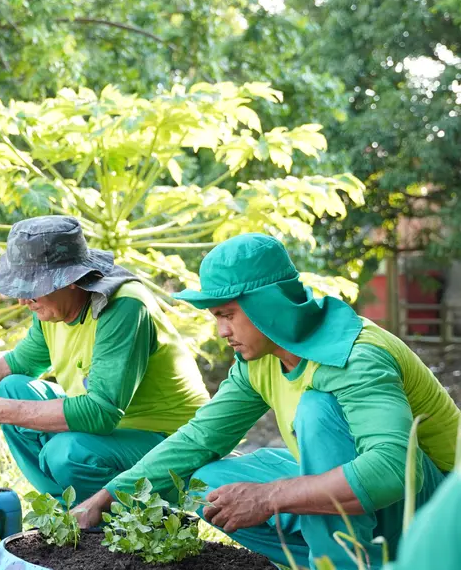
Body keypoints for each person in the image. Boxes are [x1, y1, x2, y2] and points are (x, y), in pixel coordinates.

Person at [74, 233, 460, 569]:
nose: (221, 331)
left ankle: (343, 563)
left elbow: (391, 470)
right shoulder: (259, 360)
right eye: (215, 317)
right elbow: (198, 438)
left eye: (228, 315)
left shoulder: (355, 355)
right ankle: (320, 558)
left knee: (317, 408)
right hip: (377, 503)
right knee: (207, 483)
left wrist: (270, 497)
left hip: (437, 512)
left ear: (267, 305)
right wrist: (105, 498)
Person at [0, 215, 209, 502]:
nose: (24, 300)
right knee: (12, 387)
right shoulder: (54, 310)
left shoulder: (123, 307)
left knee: (67, 452)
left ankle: (130, 523)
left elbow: (101, 413)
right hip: (114, 438)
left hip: (171, 444)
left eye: (32, 290)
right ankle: (69, 511)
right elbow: (13, 365)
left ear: (71, 280)